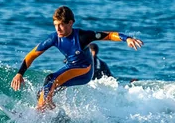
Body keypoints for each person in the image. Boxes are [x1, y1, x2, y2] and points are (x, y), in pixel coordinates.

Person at [10, 6, 143, 110]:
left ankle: (39, 113)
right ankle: (52, 115)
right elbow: (32, 54)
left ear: (70, 23)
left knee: (51, 80)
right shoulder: (54, 38)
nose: (57, 29)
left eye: (61, 24)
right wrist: (19, 73)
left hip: (84, 70)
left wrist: (127, 38)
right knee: (42, 92)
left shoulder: (82, 36)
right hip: (70, 67)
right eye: (55, 25)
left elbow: (108, 35)